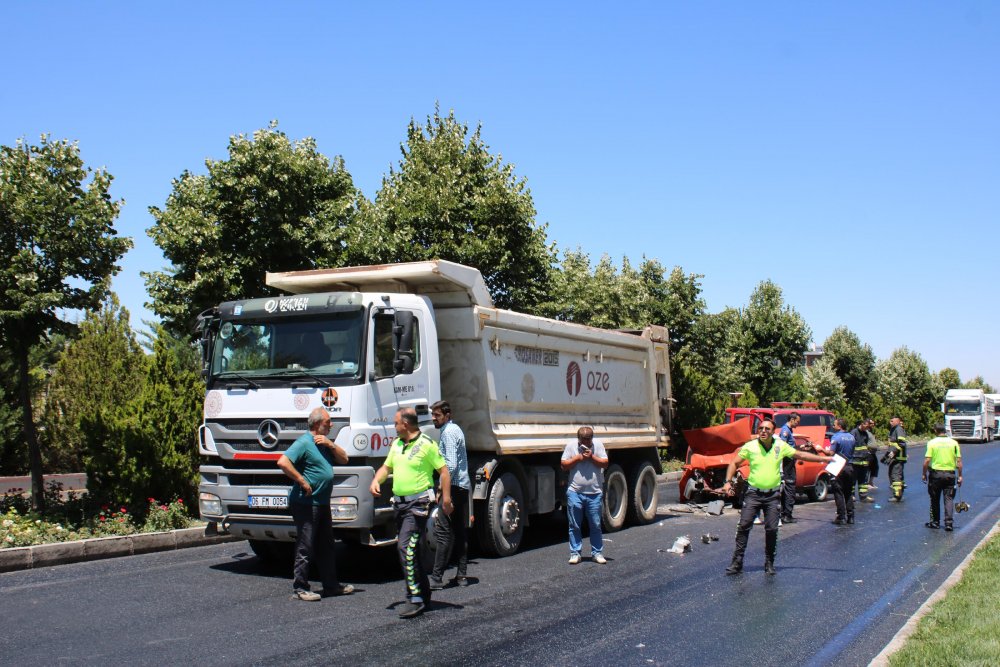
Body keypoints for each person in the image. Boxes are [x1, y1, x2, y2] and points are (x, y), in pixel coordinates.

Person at [370, 408, 453, 619]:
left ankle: (414, 598)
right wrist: (375, 480)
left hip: (418, 505)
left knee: (405, 547)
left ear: (405, 424)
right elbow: (386, 468)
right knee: (412, 551)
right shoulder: (397, 445)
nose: (394, 426)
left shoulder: (426, 444)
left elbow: (443, 471)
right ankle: (424, 594)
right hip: (399, 506)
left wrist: (446, 498)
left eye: (396, 423)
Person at [720, 419, 831, 575]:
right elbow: (734, 463)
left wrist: (823, 459)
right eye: (761, 428)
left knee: (772, 529)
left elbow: (799, 454)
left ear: (773, 432)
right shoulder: (750, 446)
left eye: (767, 429)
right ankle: (737, 562)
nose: (763, 431)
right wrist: (728, 482)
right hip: (753, 494)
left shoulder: (780, 446)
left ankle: (769, 563)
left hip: (772, 495)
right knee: (744, 526)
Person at [276, 407, 355, 601]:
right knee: (306, 545)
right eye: (328, 422)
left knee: (326, 545)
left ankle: (331, 586)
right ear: (319, 424)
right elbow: (283, 462)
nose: (331, 425)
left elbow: (344, 459)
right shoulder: (304, 442)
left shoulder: (323, 443)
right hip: (306, 503)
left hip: (321, 503)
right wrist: (302, 481)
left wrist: (330, 444)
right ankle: (300, 587)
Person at [429, 401, 471, 589]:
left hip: (453, 487)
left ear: (447, 415)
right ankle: (461, 576)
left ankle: (436, 577)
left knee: (444, 532)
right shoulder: (455, 429)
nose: (433, 418)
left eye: (437, 415)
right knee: (460, 532)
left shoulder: (448, 433)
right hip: (461, 486)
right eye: (433, 414)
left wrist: (441, 488)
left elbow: (451, 465)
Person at [561, 426, 609, 565]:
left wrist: (592, 457)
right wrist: (579, 458)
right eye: (583, 440)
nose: (586, 443)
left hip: (594, 492)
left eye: (589, 440)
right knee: (574, 524)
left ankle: (597, 553)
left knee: (595, 524)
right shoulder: (571, 446)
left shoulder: (598, 446)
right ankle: (575, 553)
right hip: (575, 492)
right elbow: (564, 465)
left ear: (592, 439)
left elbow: (605, 463)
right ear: (579, 439)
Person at [922, 424, 963, 531]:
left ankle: (935, 522)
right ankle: (949, 523)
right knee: (948, 499)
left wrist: (924, 473)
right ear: (945, 431)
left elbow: (927, 461)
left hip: (936, 475)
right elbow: (958, 462)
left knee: (934, 498)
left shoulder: (932, 443)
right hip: (950, 474)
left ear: (935, 430)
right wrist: (960, 476)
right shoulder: (954, 443)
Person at [828, 418, 857, 525]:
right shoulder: (851, 437)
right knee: (848, 492)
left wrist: (821, 450)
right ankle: (851, 516)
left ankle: (841, 517)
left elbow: (831, 453)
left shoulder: (836, 437)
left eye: (834, 424)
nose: (833, 426)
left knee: (838, 492)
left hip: (838, 466)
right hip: (849, 466)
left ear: (839, 426)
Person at [778, 412, 801, 523]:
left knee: (789, 489)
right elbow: (782, 447)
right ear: (792, 420)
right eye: (797, 421)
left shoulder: (789, 430)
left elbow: (789, 446)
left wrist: (800, 447)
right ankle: (787, 515)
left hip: (789, 462)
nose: (798, 424)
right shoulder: (785, 431)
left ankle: (785, 514)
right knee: (790, 489)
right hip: (788, 463)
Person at [849, 419, 873, 503]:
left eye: (868, 427)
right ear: (862, 424)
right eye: (866, 426)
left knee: (863, 480)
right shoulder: (854, 432)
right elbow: (850, 446)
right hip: (855, 461)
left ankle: (864, 496)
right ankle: (851, 496)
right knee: (852, 480)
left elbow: (865, 446)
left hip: (863, 461)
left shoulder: (865, 433)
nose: (867, 428)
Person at [884, 416, 908, 501]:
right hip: (894, 457)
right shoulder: (893, 429)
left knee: (895, 475)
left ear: (897, 421)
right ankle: (899, 494)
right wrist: (887, 457)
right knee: (894, 474)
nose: (890, 422)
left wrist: (893, 452)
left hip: (898, 457)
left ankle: (897, 496)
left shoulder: (898, 429)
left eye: (892, 421)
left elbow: (901, 443)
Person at [865, 418, 880, 490]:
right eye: (871, 423)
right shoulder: (865, 432)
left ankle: (870, 482)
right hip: (868, 453)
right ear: (867, 424)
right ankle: (865, 483)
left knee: (875, 467)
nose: (873, 425)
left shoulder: (870, 432)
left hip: (873, 453)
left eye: (873, 423)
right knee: (867, 468)